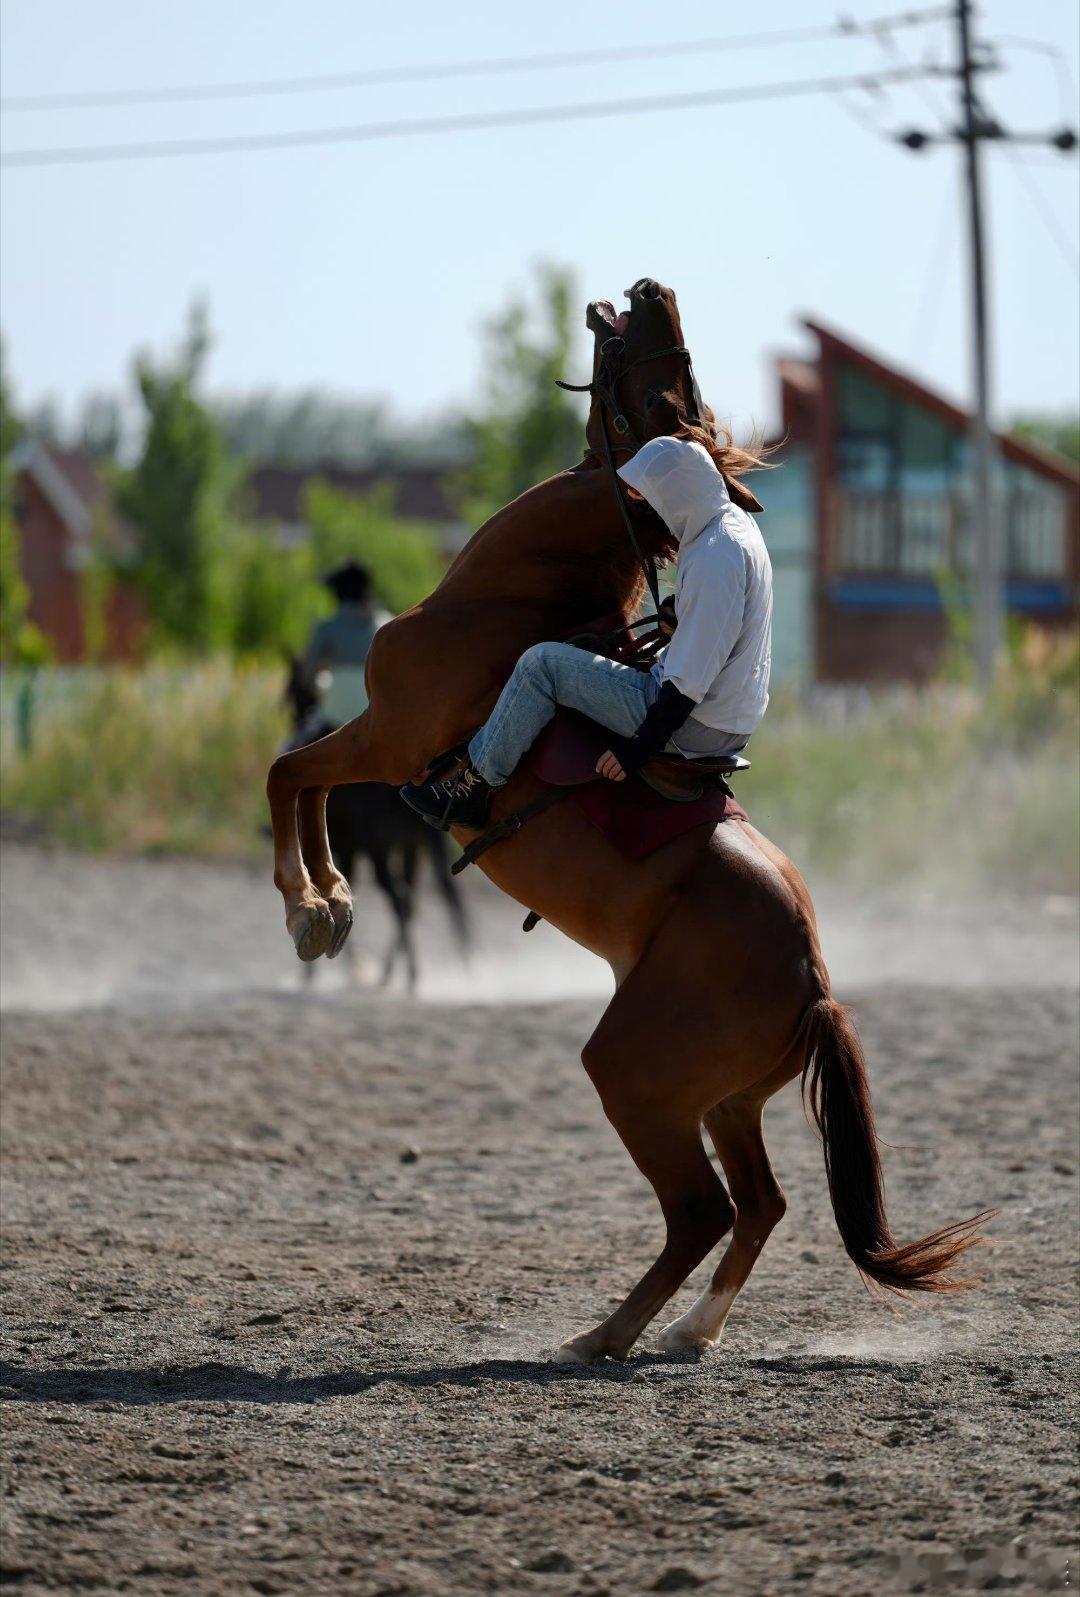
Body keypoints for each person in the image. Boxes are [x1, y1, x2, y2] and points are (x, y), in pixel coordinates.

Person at [401, 435, 773, 831]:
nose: (648, 509)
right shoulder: (734, 525)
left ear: (676, 495)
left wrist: (638, 749)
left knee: (542, 665)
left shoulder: (714, 554)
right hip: (728, 719)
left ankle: (471, 789)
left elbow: (689, 681)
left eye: (650, 499)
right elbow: (724, 618)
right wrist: (678, 612)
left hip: (695, 723)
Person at [292, 558, 390, 743]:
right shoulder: (387, 623)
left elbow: (307, 676)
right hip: (378, 715)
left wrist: (319, 687)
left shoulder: (327, 628)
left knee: (291, 750)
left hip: (335, 715)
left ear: (337, 593)